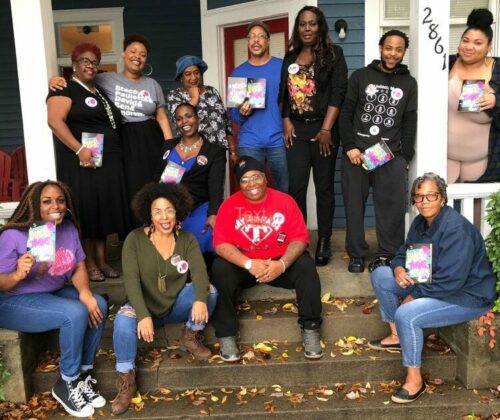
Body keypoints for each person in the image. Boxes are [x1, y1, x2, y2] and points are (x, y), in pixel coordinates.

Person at [368, 173, 496, 404]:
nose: (424, 201)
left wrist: (413, 295)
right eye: (419, 197)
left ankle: (415, 380)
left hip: (467, 295)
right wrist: (398, 268)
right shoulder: (420, 223)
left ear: (443, 198)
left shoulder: (456, 229)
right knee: (381, 275)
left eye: (431, 195)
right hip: (431, 282)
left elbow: (451, 280)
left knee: (407, 312)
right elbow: (402, 254)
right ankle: (397, 335)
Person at [0, 181, 108, 418]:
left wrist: (85, 293)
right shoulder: (13, 235)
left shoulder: (68, 229)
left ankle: (82, 375)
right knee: (74, 313)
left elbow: (79, 266)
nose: (55, 206)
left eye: (60, 200)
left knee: (98, 304)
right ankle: (66, 382)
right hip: (12, 299)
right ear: (33, 204)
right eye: (47, 201)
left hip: (51, 293)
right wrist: (18, 273)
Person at [111, 182, 217, 415]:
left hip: (175, 303)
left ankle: (190, 335)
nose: (164, 217)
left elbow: (199, 272)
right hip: (144, 306)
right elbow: (131, 281)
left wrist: (199, 298)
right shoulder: (134, 240)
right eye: (157, 211)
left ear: (177, 211)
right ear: (148, 214)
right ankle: (127, 379)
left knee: (209, 291)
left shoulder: (187, 239)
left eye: (169, 210)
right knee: (121, 321)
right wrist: (143, 315)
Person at [50, 34, 174, 230]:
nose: (137, 56)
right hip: (123, 139)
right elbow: (80, 78)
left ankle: (158, 229)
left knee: (155, 184)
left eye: (142, 54)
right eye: (133, 52)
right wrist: (56, 79)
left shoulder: (153, 85)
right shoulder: (105, 78)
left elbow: (161, 117)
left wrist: (170, 146)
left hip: (150, 139)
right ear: (123, 54)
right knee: (129, 188)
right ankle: (134, 236)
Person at [210, 156, 323, 362]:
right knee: (219, 269)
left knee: (306, 265)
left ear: (265, 178)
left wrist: (281, 264)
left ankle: (311, 328)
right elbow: (221, 245)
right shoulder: (228, 206)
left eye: (255, 177)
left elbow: (299, 239)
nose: (251, 183)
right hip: (245, 265)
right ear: (239, 184)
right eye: (244, 179)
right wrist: (249, 264)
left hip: (278, 263)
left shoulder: (285, 201)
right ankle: (227, 334)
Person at [47, 42, 129, 282]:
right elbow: (55, 121)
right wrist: (80, 149)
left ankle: (102, 261)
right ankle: (89, 263)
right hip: (81, 161)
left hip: (104, 161)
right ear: (74, 65)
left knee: (102, 211)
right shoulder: (64, 88)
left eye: (94, 62)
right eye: (85, 61)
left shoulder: (99, 91)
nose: (90, 65)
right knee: (87, 210)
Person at [339, 29, 417, 273]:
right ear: (380, 48)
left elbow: (409, 120)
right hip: (358, 154)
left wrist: (406, 156)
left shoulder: (409, 83)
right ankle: (356, 253)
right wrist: (350, 146)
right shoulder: (361, 76)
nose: (393, 53)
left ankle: (387, 254)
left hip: (389, 155)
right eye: (389, 47)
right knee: (354, 206)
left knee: (391, 207)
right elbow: (346, 114)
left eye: (399, 49)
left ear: (404, 52)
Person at [279, 6, 348, 266]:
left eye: (312, 24)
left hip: (323, 131)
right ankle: (299, 240)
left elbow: (338, 93)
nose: (307, 29)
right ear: (298, 29)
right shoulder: (291, 57)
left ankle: (324, 241)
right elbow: (283, 94)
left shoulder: (334, 55)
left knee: (324, 188)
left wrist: (327, 129)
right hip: (296, 130)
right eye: (302, 24)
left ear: (320, 26)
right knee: (296, 188)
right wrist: (286, 121)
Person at [157, 102, 226, 268]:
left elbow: (216, 186)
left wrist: (214, 213)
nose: (185, 122)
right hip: (169, 207)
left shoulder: (214, 151)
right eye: (179, 119)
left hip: (199, 207)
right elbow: (157, 180)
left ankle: (198, 274)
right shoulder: (168, 146)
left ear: (198, 118)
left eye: (189, 116)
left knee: (200, 235)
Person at [229, 21, 289, 191]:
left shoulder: (282, 67)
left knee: (284, 190)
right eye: (252, 37)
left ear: (268, 41)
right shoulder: (238, 72)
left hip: (279, 141)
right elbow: (233, 115)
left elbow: (294, 101)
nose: (256, 40)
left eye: (261, 36)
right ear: (248, 42)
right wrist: (242, 113)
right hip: (250, 142)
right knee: (251, 190)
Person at [448, 8, 500, 183]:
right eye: (466, 40)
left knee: (481, 209)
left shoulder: (497, 69)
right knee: (435, 205)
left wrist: (496, 101)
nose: (469, 47)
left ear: (489, 46)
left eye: (478, 43)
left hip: (483, 162)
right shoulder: (445, 65)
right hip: (444, 156)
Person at [166, 55, 234, 155]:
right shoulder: (174, 96)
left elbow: (226, 123)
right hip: (192, 152)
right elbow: (180, 120)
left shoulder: (212, 91)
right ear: (181, 77)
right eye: (188, 74)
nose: (193, 77)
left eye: (196, 73)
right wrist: (194, 99)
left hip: (218, 151)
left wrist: (233, 151)